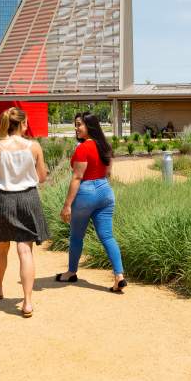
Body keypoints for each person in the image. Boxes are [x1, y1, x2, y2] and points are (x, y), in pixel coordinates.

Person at [0, 107, 49, 317]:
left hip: (2, 201)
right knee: (25, 251)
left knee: (1, 249)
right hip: (28, 199)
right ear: (22, 124)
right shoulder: (35, 147)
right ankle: (27, 302)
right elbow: (42, 177)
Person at [56, 112, 126, 293]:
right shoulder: (105, 146)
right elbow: (108, 173)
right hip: (105, 191)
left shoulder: (83, 148)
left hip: (87, 192)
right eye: (75, 124)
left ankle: (71, 272)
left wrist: (67, 205)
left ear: (89, 126)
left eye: (79, 124)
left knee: (76, 236)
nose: (76, 128)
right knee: (107, 236)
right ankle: (119, 276)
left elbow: (77, 177)